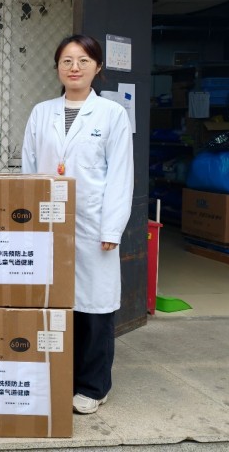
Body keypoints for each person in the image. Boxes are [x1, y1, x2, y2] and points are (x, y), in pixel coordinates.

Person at [21, 34, 134, 415]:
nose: (74, 68)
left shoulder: (112, 114)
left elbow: (121, 175)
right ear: (57, 67)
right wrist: (26, 222)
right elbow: (29, 168)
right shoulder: (42, 113)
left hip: (92, 223)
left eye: (83, 61)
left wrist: (111, 229)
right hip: (48, 224)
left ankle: (93, 385)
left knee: (95, 307)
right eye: (67, 60)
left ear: (97, 67)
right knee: (56, 303)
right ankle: (60, 378)